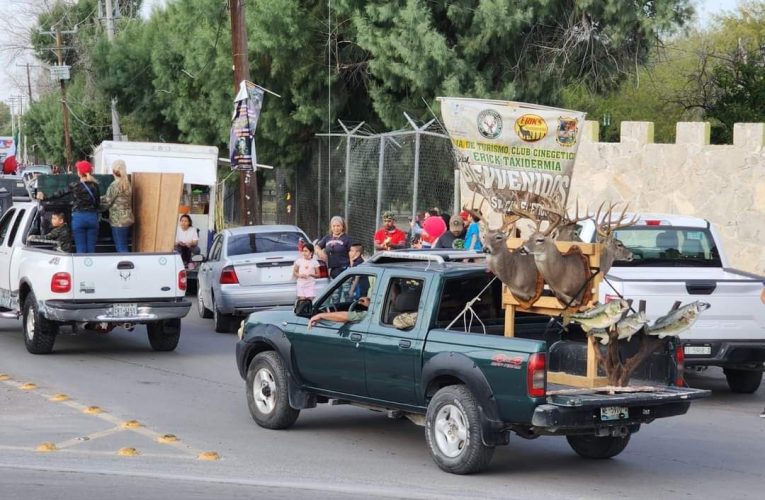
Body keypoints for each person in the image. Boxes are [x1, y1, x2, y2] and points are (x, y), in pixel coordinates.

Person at [37, 160, 100, 254]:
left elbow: (60, 193)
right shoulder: (95, 186)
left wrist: (45, 197)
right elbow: (97, 203)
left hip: (79, 218)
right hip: (92, 218)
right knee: (91, 249)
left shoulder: (75, 185)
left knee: (80, 248)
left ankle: (81, 268)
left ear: (79, 173)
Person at [99, 159, 134, 252]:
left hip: (118, 221)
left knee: (121, 248)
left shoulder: (114, 185)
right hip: (127, 219)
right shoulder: (127, 184)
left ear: (113, 171)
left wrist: (95, 207)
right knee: (124, 245)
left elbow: (107, 202)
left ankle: (126, 265)